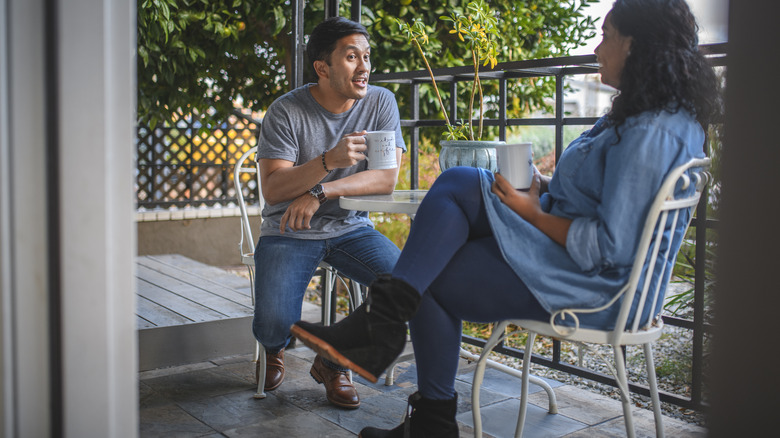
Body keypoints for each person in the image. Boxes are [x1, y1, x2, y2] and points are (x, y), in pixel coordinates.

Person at [291, 0, 720, 435]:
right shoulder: (644, 113)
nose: (596, 47)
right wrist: (542, 188)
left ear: (636, 45)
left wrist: (531, 210)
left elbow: (610, 247)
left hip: (598, 287)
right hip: (563, 255)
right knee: (459, 182)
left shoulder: (653, 131)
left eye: (606, 35)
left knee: (430, 277)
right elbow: (603, 194)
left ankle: (420, 401)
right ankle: (385, 332)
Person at [252, 16, 405, 409]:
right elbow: (274, 189)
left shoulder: (380, 101)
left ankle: (333, 360)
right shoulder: (286, 111)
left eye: (367, 56)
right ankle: (274, 348)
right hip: (290, 228)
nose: (365, 66)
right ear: (322, 68)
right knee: (273, 326)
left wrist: (322, 191)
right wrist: (327, 160)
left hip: (350, 227)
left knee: (407, 288)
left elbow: (385, 178)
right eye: (352, 57)